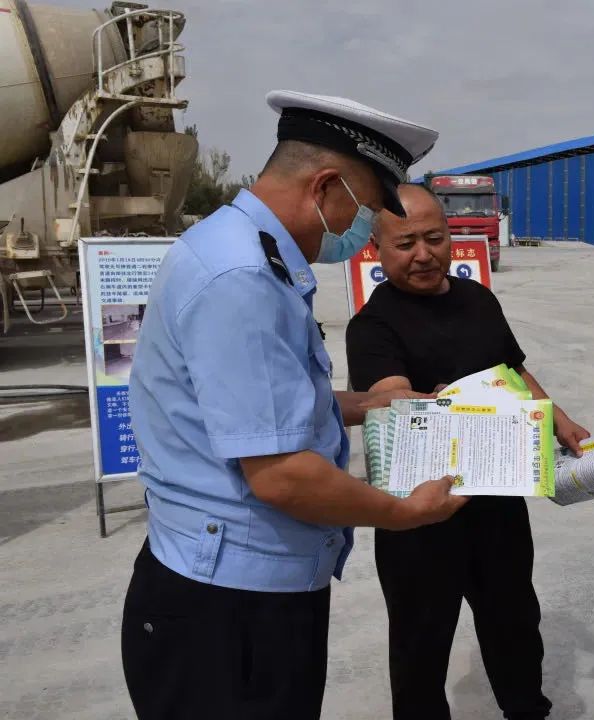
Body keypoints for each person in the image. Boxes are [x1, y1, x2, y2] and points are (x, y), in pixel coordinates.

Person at [122, 91, 468, 719]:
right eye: (368, 210)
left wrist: (367, 405)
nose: (364, 231)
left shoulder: (241, 249)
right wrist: (405, 512)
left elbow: (262, 405)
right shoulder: (244, 280)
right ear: (326, 187)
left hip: (237, 589)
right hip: (228, 609)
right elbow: (282, 474)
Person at [345, 183, 590, 720]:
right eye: (406, 243)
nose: (424, 254)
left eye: (435, 237)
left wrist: (558, 421)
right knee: (420, 647)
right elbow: (389, 397)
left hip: (498, 502)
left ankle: (527, 709)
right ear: (377, 249)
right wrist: (418, 404)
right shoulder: (373, 325)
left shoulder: (477, 297)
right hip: (421, 515)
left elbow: (513, 370)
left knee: (516, 626)